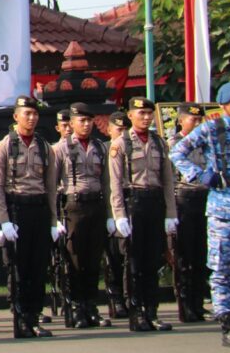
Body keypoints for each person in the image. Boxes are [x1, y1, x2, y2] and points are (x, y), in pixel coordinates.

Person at [0, 96, 58, 338]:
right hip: (16, 209)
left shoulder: (44, 146)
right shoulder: (6, 146)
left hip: (38, 209)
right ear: (16, 116)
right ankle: (20, 319)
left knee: (38, 267)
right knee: (18, 268)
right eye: (26, 113)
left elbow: (50, 186)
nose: (31, 118)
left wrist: (53, 221)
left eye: (34, 114)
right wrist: (4, 221)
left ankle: (34, 316)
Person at [171, 82, 230, 346]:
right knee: (221, 269)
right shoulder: (212, 129)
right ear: (225, 105)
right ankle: (227, 321)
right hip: (222, 209)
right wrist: (199, 174)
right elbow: (177, 152)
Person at [108, 97, 177, 332]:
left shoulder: (159, 142)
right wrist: (119, 214)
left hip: (155, 203)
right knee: (135, 262)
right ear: (130, 116)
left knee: (153, 260)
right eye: (141, 114)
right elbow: (115, 183)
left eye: (149, 113)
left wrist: (170, 213)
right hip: (133, 204)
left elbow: (168, 180)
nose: (146, 118)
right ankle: (136, 312)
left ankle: (152, 311)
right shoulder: (121, 143)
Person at [52, 103, 108, 328]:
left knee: (94, 258)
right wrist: (54, 218)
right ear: (72, 123)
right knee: (75, 259)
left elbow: (106, 182)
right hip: (73, 207)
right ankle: (76, 306)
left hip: (96, 204)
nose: (86, 125)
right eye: (81, 121)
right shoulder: (61, 148)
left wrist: (112, 214)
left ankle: (90, 305)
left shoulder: (99, 147)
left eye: (89, 120)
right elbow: (52, 184)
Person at [168, 103, 211, 322]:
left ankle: (198, 302)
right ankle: (185, 305)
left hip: (205, 199)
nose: (197, 123)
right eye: (193, 119)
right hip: (183, 199)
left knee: (201, 254)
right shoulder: (174, 144)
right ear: (181, 120)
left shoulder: (206, 143)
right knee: (184, 256)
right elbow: (168, 179)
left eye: (199, 120)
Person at [102, 110, 129, 320]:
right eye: (118, 129)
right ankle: (116, 299)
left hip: (130, 205)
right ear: (109, 129)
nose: (122, 133)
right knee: (113, 258)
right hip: (109, 208)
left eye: (125, 129)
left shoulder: (131, 147)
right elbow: (104, 184)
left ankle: (130, 298)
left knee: (131, 256)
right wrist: (110, 214)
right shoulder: (102, 149)